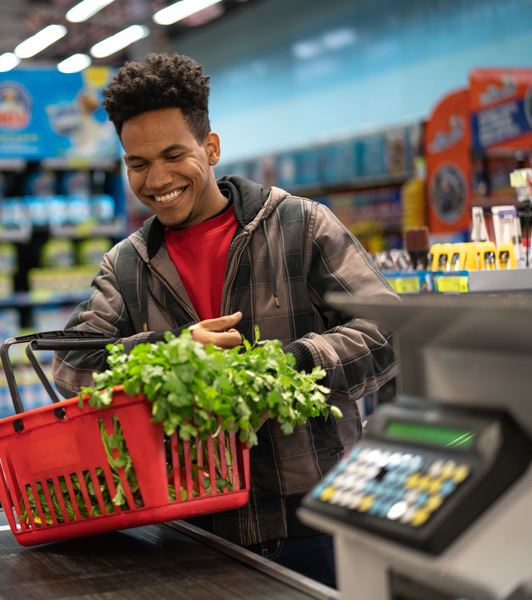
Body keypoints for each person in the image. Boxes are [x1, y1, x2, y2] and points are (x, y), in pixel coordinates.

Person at [53, 53, 398, 588]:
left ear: (210, 148)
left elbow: (387, 333)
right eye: (137, 163)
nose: (157, 179)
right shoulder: (125, 266)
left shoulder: (300, 226)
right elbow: (70, 370)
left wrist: (294, 363)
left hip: (313, 519)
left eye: (174, 155)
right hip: (191, 529)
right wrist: (171, 351)